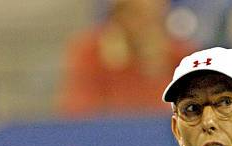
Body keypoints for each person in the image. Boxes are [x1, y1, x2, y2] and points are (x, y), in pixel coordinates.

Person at [58, 0, 195, 117]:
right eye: (134, 14)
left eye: (151, 16)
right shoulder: (90, 52)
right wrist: (117, 68)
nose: (142, 24)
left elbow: (188, 113)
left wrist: (155, 70)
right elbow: (77, 113)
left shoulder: (180, 56)